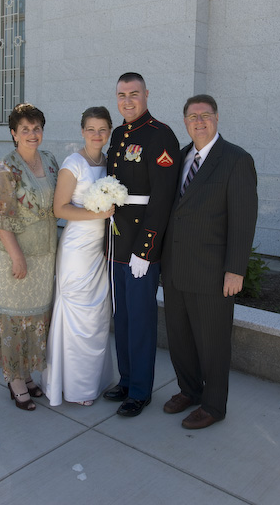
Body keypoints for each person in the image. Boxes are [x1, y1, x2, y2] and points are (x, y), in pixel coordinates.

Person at [161, 94, 258, 429]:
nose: (199, 121)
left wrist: (236, 269)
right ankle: (189, 390)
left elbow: (243, 220)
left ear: (216, 118)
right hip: (176, 268)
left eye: (205, 115)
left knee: (213, 343)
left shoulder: (236, 159)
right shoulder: (180, 157)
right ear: (185, 122)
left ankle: (214, 406)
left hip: (213, 272)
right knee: (180, 338)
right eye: (192, 117)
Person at [103, 72, 181, 417]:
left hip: (140, 248)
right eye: (122, 95)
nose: (128, 101)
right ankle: (126, 379)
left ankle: (139, 391)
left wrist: (146, 249)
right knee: (122, 318)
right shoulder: (119, 134)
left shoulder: (160, 135)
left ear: (146, 94)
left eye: (134, 94)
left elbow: (162, 198)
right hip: (117, 242)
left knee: (141, 320)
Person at [0, 103, 59, 411]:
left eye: (36, 128)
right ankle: (14, 379)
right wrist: (17, 257)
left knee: (37, 317)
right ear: (14, 133)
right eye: (25, 129)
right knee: (16, 317)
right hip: (15, 253)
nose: (32, 134)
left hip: (44, 252)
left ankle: (27, 373)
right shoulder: (6, 168)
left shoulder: (50, 160)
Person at [42, 107, 115, 406]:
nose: (97, 135)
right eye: (91, 129)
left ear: (109, 131)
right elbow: (59, 209)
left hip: (100, 250)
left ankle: (93, 381)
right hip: (76, 250)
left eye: (102, 129)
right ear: (82, 131)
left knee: (97, 316)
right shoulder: (73, 164)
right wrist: (97, 213)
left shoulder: (109, 162)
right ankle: (75, 387)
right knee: (78, 315)